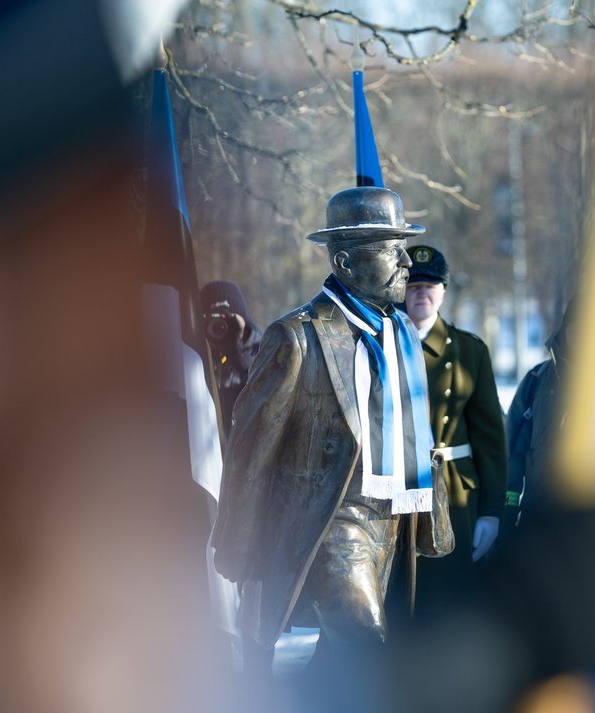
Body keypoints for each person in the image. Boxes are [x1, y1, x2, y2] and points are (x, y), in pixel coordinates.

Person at [210, 186, 454, 677]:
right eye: (392, 248)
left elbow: (417, 430)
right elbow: (251, 447)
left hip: (392, 517)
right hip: (331, 521)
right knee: (368, 645)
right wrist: (236, 539)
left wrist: (435, 514)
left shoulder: (402, 332)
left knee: (341, 658)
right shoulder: (297, 337)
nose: (407, 262)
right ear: (344, 260)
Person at [400, 244, 507, 611]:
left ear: (443, 291)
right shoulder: (379, 344)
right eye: (413, 285)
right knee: (401, 600)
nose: (421, 293)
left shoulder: (469, 351)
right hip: (395, 493)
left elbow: (490, 438)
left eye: (430, 285)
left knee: (450, 601)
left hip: (456, 496)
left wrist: (491, 511)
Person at [504, 302, 572, 534]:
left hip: (593, 527)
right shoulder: (537, 380)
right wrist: (508, 511)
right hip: (537, 519)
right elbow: (512, 452)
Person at [199, 280, 261, 434]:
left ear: (243, 320)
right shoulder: (197, 359)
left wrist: (238, 358)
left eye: (228, 320)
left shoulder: (268, 355)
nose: (221, 327)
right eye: (215, 321)